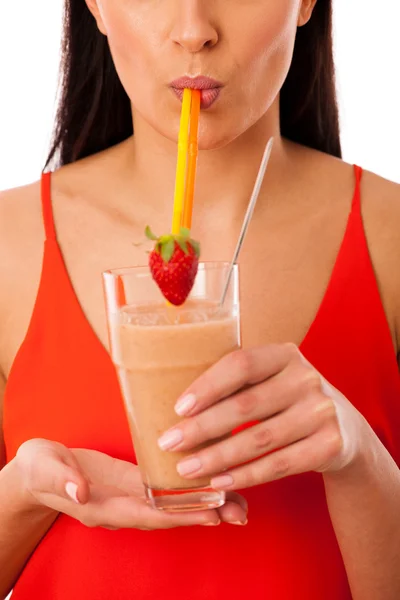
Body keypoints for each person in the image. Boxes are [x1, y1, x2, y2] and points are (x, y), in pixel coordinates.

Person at [0, 0, 399, 598]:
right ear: (96, 8)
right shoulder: (9, 243)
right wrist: (24, 496)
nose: (194, 31)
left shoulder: (390, 238)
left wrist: (361, 460)